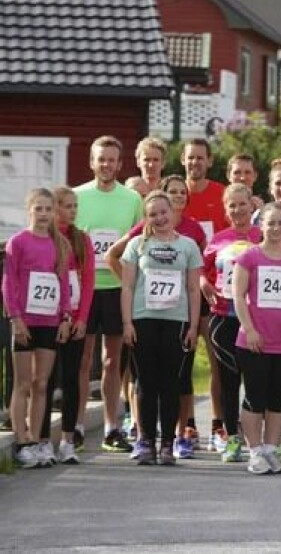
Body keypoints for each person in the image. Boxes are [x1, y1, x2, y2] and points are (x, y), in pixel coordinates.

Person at [105, 175, 207, 459]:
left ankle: (168, 443)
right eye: (153, 214)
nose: (160, 218)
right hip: (143, 319)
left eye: (164, 212)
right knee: (145, 382)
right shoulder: (136, 245)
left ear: (172, 212)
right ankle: (146, 439)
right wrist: (127, 323)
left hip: (176, 321)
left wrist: (193, 324)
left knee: (171, 383)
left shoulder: (187, 246)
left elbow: (193, 289)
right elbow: (126, 286)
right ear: (146, 217)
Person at [74, 135, 144, 454]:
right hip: (85, 290)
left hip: (117, 288)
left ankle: (111, 427)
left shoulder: (131, 200)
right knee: (82, 358)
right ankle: (74, 426)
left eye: (112, 159)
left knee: (112, 361)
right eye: (101, 159)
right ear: (92, 162)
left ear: (120, 163)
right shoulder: (78, 196)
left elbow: (137, 245)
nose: (106, 165)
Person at [232, 202, 281, 475]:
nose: (276, 228)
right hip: (254, 341)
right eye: (271, 223)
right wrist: (249, 329)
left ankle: (270, 450)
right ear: (261, 226)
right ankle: (254, 451)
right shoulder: (249, 257)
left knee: (279, 398)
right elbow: (238, 296)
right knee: (255, 396)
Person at [2, 189, 72, 468]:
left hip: (49, 320)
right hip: (25, 321)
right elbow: (8, 283)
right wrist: (15, 318)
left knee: (41, 383)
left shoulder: (60, 243)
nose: (43, 214)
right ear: (29, 210)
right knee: (21, 382)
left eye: (47, 209)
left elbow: (63, 282)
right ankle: (21, 440)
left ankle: (36, 438)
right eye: (38, 209)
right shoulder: (18, 242)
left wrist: (66, 316)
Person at [200, 183, 262, 463]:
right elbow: (202, 270)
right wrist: (203, 282)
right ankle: (232, 438)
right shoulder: (218, 239)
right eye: (231, 206)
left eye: (242, 204)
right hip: (224, 316)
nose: (237, 210)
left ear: (252, 206)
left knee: (254, 377)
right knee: (228, 379)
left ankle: (257, 440)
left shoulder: (263, 236)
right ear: (226, 210)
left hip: (256, 318)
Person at [38, 187, 96, 464]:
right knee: (46, 380)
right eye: (67, 206)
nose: (73, 211)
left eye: (75, 206)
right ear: (55, 208)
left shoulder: (81, 239)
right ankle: (42, 440)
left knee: (71, 379)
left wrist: (82, 317)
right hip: (49, 317)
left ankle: (68, 440)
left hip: (74, 319)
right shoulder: (46, 239)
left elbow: (88, 283)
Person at [181, 139, 228, 449]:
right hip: (181, 294)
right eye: (190, 158)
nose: (195, 163)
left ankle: (218, 425)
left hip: (213, 293)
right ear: (183, 161)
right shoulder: (175, 195)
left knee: (217, 363)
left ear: (209, 161)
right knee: (184, 364)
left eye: (200, 158)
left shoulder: (220, 195)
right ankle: (187, 427)